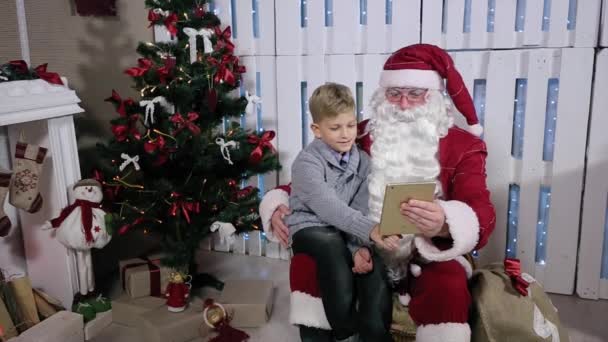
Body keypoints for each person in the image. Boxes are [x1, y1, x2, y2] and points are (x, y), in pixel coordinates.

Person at [259, 44, 496, 342]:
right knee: (311, 261)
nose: (404, 105)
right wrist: (279, 203)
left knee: (447, 283)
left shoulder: (464, 146)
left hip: (425, 251)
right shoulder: (358, 134)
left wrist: (446, 222)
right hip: (360, 240)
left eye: (415, 93)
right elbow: (317, 180)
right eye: (394, 94)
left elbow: (482, 212)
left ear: (434, 96)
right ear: (382, 96)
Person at [286, 82, 397, 342]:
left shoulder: (364, 163)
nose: (346, 134)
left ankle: (374, 335)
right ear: (317, 130)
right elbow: (326, 205)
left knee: (373, 266)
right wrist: (369, 230)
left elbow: (360, 206)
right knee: (330, 244)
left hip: (344, 230)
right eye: (335, 128)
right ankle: (346, 333)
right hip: (309, 228)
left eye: (351, 125)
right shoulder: (307, 162)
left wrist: (360, 248)